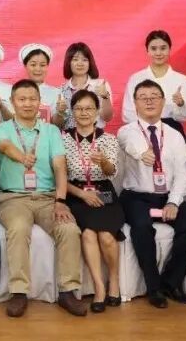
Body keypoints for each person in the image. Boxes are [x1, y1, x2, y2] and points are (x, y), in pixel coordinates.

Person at [0, 79, 86, 318]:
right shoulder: (1, 128)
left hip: (47, 197)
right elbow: (4, 147)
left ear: (40, 102)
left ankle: (68, 291)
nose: (27, 103)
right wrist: (23, 158)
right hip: (14, 199)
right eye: (22, 99)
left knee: (69, 229)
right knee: (18, 228)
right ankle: (18, 292)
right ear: (12, 102)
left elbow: (60, 166)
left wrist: (61, 201)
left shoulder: (51, 131)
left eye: (32, 99)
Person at [117, 79, 186, 308]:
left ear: (163, 102)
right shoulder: (126, 131)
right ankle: (153, 287)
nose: (149, 101)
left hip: (167, 196)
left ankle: (170, 283)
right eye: (143, 97)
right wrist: (141, 153)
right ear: (135, 103)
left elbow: (182, 174)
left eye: (154, 96)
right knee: (142, 227)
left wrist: (173, 203)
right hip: (137, 196)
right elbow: (129, 144)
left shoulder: (174, 135)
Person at [62, 90, 123, 313]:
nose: (84, 113)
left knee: (106, 236)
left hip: (104, 193)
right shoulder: (62, 139)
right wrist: (81, 194)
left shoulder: (108, 139)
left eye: (89, 108)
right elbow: (58, 178)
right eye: (79, 108)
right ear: (72, 112)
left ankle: (114, 281)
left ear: (97, 111)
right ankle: (99, 288)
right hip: (76, 194)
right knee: (88, 233)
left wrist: (103, 161)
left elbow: (111, 172)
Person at [121, 30, 186, 135]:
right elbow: (128, 113)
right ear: (147, 51)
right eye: (153, 49)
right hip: (141, 131)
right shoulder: (136, 78)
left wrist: (181, 104)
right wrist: (146, 128)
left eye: (163, 48)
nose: (158, 53)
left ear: (169, 49)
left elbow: (184, 117)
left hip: (172, 131)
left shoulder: (181, 80)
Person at [54, 42, 113, 130]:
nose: (80, 63)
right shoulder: (61, 90)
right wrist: (60, 113)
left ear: (90, 63)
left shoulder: (100, 85)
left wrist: (105, 97)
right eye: (75, 59)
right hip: (69, 137)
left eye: (84, 60)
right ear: (69, 63)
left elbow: (107, 118)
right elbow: (58, 126)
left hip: (95, 135)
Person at [19, 43, 61, 123]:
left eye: (42, 65)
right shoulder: (17, 91)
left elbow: (58, 125)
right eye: (33, 65)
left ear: (47, 66)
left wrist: (60, 112)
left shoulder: (56, 93)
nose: (38, 69)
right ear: (25, 66)